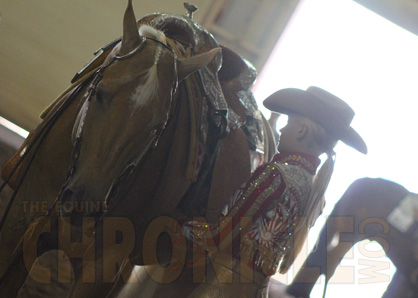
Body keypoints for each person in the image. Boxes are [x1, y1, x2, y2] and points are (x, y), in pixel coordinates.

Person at [182, 86, 367, 297]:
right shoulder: (314, 192)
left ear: (301, 130)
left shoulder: (275, 175)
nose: (280, 131)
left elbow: (219, 237)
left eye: (288, 123)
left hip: (223, 286)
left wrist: (182, 226)